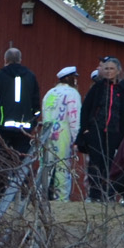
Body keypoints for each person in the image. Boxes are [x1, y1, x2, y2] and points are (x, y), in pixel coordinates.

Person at [79, 57, 124, 201]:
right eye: (106, 69)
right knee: (95, 162)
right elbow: (86, 109)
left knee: (109, 163)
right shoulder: (97, 87)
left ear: (118, 71)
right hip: (96, 129)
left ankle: (107, 194)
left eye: (112, 69)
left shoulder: (123, 89)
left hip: (114, 132)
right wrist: (85, 129)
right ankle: (94, 194)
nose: (109, 72)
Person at [37, 66, 83, 202]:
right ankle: (61, 198)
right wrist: (76, 137)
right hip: (63, 132)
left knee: (45, 165)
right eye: (74, 78)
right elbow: (74, 116)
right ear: (69, 78)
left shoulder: (50, 93)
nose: (76, 81)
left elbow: (45, 114)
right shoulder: (72, 94)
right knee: (62, 166)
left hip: (47, 133)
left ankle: (40, 194)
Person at [0, 48, 42, 155]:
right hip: (24, 128)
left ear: (5, 59)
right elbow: (36, 102)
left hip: (3, 127)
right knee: (22, 160)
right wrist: (33, 119)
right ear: (20, 59)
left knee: (1, 160)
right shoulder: (30, 76)